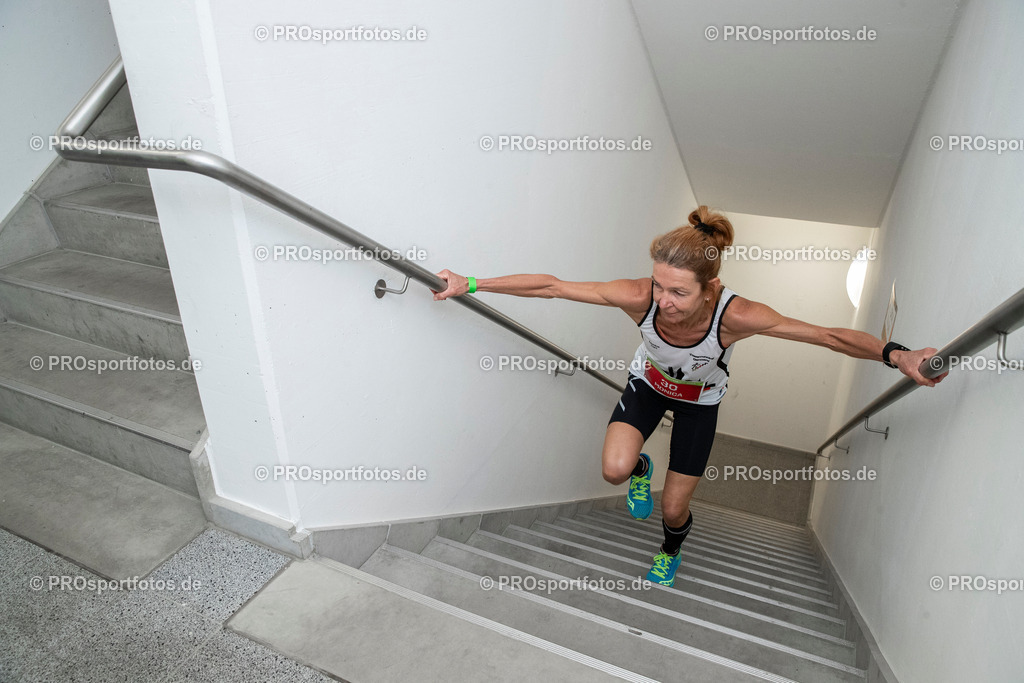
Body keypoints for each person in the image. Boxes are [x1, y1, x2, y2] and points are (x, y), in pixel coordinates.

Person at [430, 206, 947, 588]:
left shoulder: (736, 316)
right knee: (613, 470)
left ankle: (670, 548)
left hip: (700, 402)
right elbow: (553, 287)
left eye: (679, 292)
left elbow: (825, 335)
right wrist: (471, 281)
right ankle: (639, 468)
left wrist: (897, 354)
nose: (664, 301)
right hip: (649, 386)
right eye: (659, 286)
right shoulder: (640, 296)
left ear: (711, 287)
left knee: (673, 507)